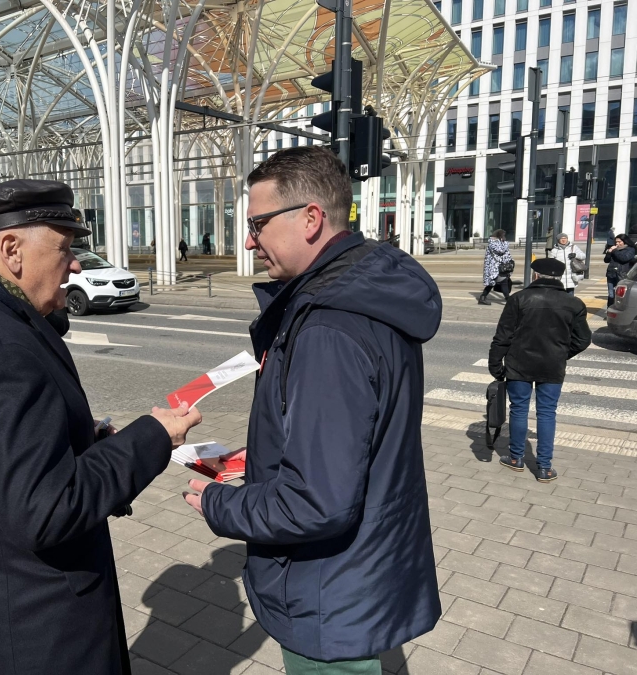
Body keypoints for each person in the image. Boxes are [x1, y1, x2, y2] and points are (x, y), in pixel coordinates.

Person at [0, 179, 202, 675]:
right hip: (40, 628)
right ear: (12, 250)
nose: (75, 264)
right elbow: (46, 509)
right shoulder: (3, 349)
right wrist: (152, 437)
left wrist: (81, 442)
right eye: (64, 249)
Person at [182, 147, 442, 674]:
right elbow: (356, 439)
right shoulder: (368, 290)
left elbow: (317, 502)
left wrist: (219, 505)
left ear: (310, 218)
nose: (249, 240)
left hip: (327, 594)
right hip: (364, 571)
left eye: (257, 224)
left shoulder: (327, 326)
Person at [488, 257, 591, 482]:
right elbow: (583, 339)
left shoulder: (519, 299)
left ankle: (516, 458)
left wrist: (495, 364)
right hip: (552, 365)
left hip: (519, 364)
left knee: (519, 409)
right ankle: (544, 467)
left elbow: (503, 336)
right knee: (547, 413)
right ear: (560, 277)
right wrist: (562, 353)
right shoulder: (574, 303)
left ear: (535, 275)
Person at [478, 229, 513, 305]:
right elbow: (501, 251)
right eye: (503, 235)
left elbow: (505, 254)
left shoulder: (500, 243)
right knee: (502, 281)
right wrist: (506, 243)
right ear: (500, 236)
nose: (504, 237)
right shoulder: (493, 243)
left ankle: (482, 297)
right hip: (494, 267)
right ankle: (509, 300)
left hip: (498, 267)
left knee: (493, 283)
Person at [604, 234, 636, 306]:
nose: (617, 243)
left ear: (625, 241)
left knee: (620, 295)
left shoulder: (630, 249)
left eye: (619, 242)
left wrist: (614, 251)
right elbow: (606, 260)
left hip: (622, 274)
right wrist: (609, 252)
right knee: (611, 294)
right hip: (611, 274)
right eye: (616, 242)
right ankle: (610, 309)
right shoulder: (615, 250)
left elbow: (624, 258)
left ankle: (619, 308)